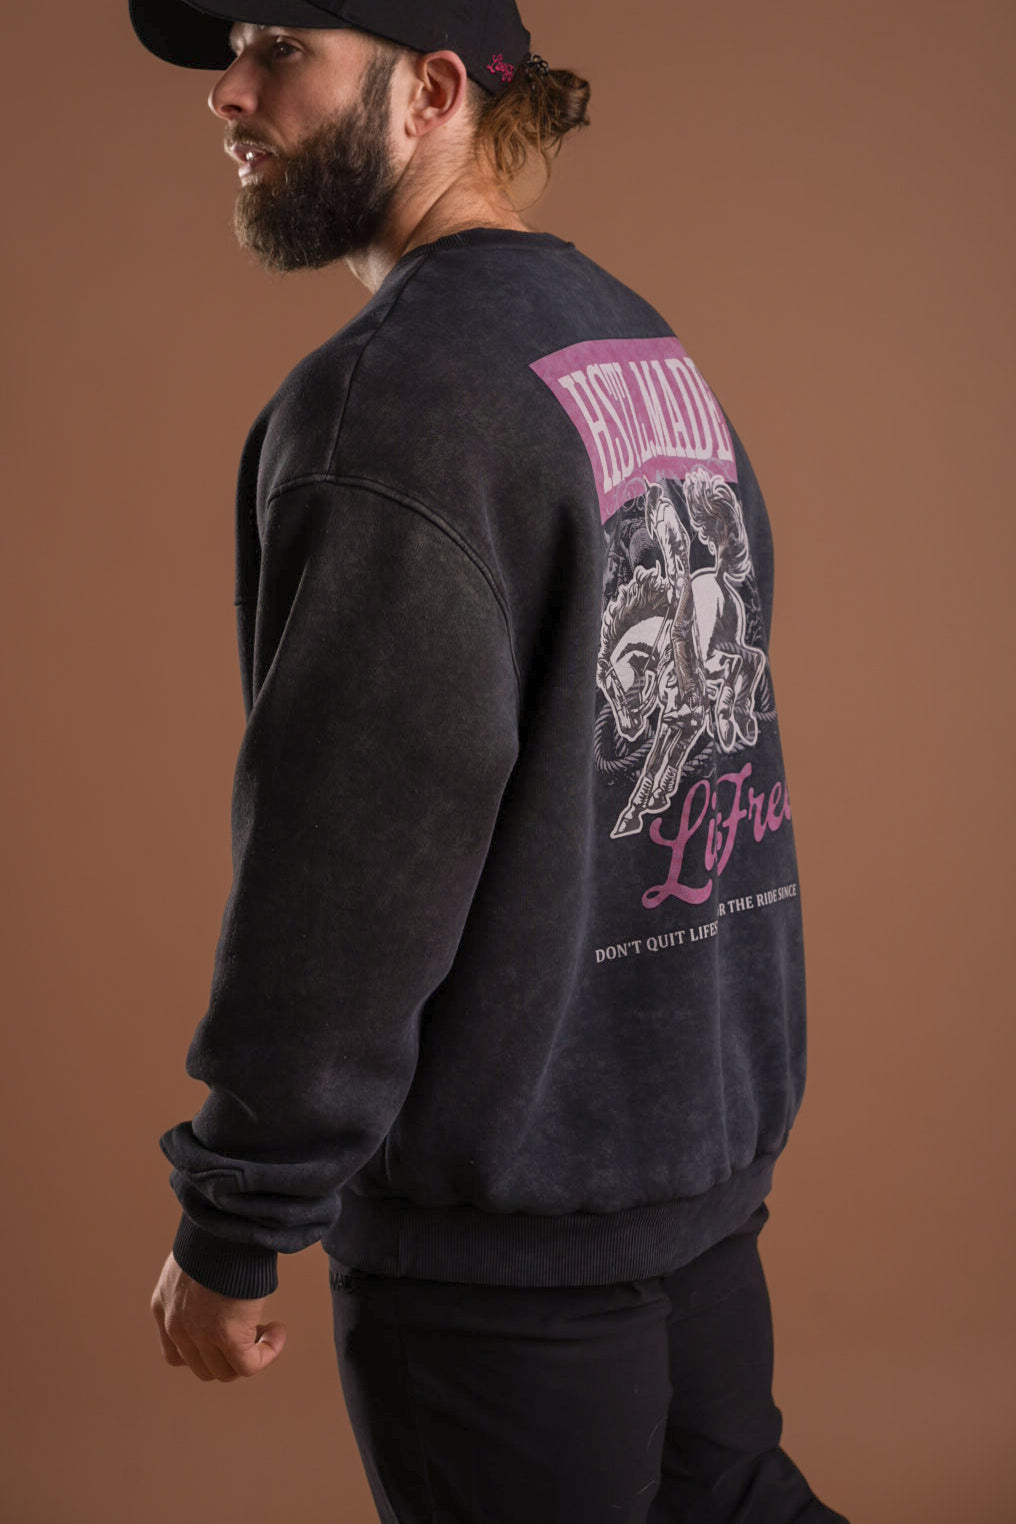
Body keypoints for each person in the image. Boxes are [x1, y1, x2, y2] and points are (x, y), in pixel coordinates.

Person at [134, 4, 849, 1520]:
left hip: (508, 1258)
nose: (229, 93)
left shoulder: (394, 402)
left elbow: (347, 865)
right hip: (690, 1193)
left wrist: (235, 1218)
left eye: (281, 46)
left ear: (433, 91)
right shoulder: (635, 345)